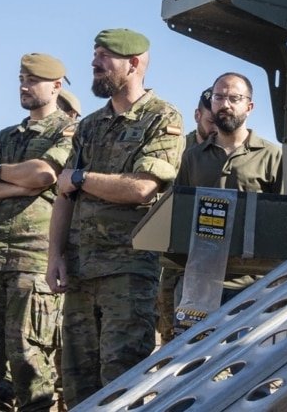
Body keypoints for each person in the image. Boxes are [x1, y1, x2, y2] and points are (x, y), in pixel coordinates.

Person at [49, 29, 185, 406]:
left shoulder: (162, 119)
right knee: (76, 383)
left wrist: (80, 178)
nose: (94, 63)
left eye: (104, 56)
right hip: (79, 271)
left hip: (128, 273)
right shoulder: (90, 125)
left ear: (134, 64)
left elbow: (141, 188)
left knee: (122, 383)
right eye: (94, 54)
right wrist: (55, 256)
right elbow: (63, 194)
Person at [0, 54, 75, 412]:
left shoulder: (69, 131)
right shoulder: (7, 136)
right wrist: (14, 181)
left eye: (33, 80)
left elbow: (43, 175)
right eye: (21, 79)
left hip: (32, 260)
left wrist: (3, 176)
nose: (24, 86)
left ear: (56, 86)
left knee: (29, 358)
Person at [175, 72, 283, 306]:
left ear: (249, 106)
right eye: (218, 97)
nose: (225, 104)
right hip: (198, 284)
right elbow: (179, 217)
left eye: (234, 98)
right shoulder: (192, 157)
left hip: (252, 285)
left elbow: (284, 222)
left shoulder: (271, 155)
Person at [156, 87, 217, 343]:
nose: (216, 129)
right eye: (210, 121)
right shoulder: (178, 151)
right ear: (197, 115)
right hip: (178, 259)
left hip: (217, 259)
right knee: (173, 334)